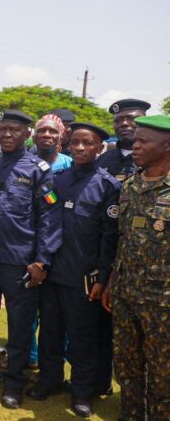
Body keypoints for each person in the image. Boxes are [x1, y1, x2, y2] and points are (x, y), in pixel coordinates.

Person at [0, 110, 62, 409]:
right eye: (2, 129)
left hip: (19, 261)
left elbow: (49, 217)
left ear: (26, 134)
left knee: (19, 325)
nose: (6, 134)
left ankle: (14, 382)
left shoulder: (38, 169)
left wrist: (42, 260)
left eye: (14, 130)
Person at [28, 123, 119, 418]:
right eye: (75, 142)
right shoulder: (58, 180)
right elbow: (46, 220)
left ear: (99, 148)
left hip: (83, 277)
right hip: (52, 272)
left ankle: (82, 391)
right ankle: (50, 380)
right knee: (50, 332)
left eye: (87, 143)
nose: (80, 148)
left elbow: (109, 239)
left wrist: (102, 279)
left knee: (82, 338)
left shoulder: (107, 186)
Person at [102, 115, 170, 420]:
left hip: (162, 302)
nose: (135, 146)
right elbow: (123, 238)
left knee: (163, 373)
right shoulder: (129, 185)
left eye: (144, 141)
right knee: (127, 366)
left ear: (166, 146)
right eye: (136, 140)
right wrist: (112, 281)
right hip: (126, 293)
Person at [27, 113, 73, 370]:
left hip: (62, 246)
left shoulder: (71, 165)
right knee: (28, 306)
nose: (47, 135)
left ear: (61, 136)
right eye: (42, 131)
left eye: (53, 131)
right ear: (33, 135)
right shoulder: (24, 162)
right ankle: (31, 357)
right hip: (28, 245)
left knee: (57, 310)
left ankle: (57, 360)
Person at [98, 99, 150, 182]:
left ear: (146, 122)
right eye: (117, 121)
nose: (124, 123)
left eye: (132, 118)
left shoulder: (158, 158)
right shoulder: (102, 160)